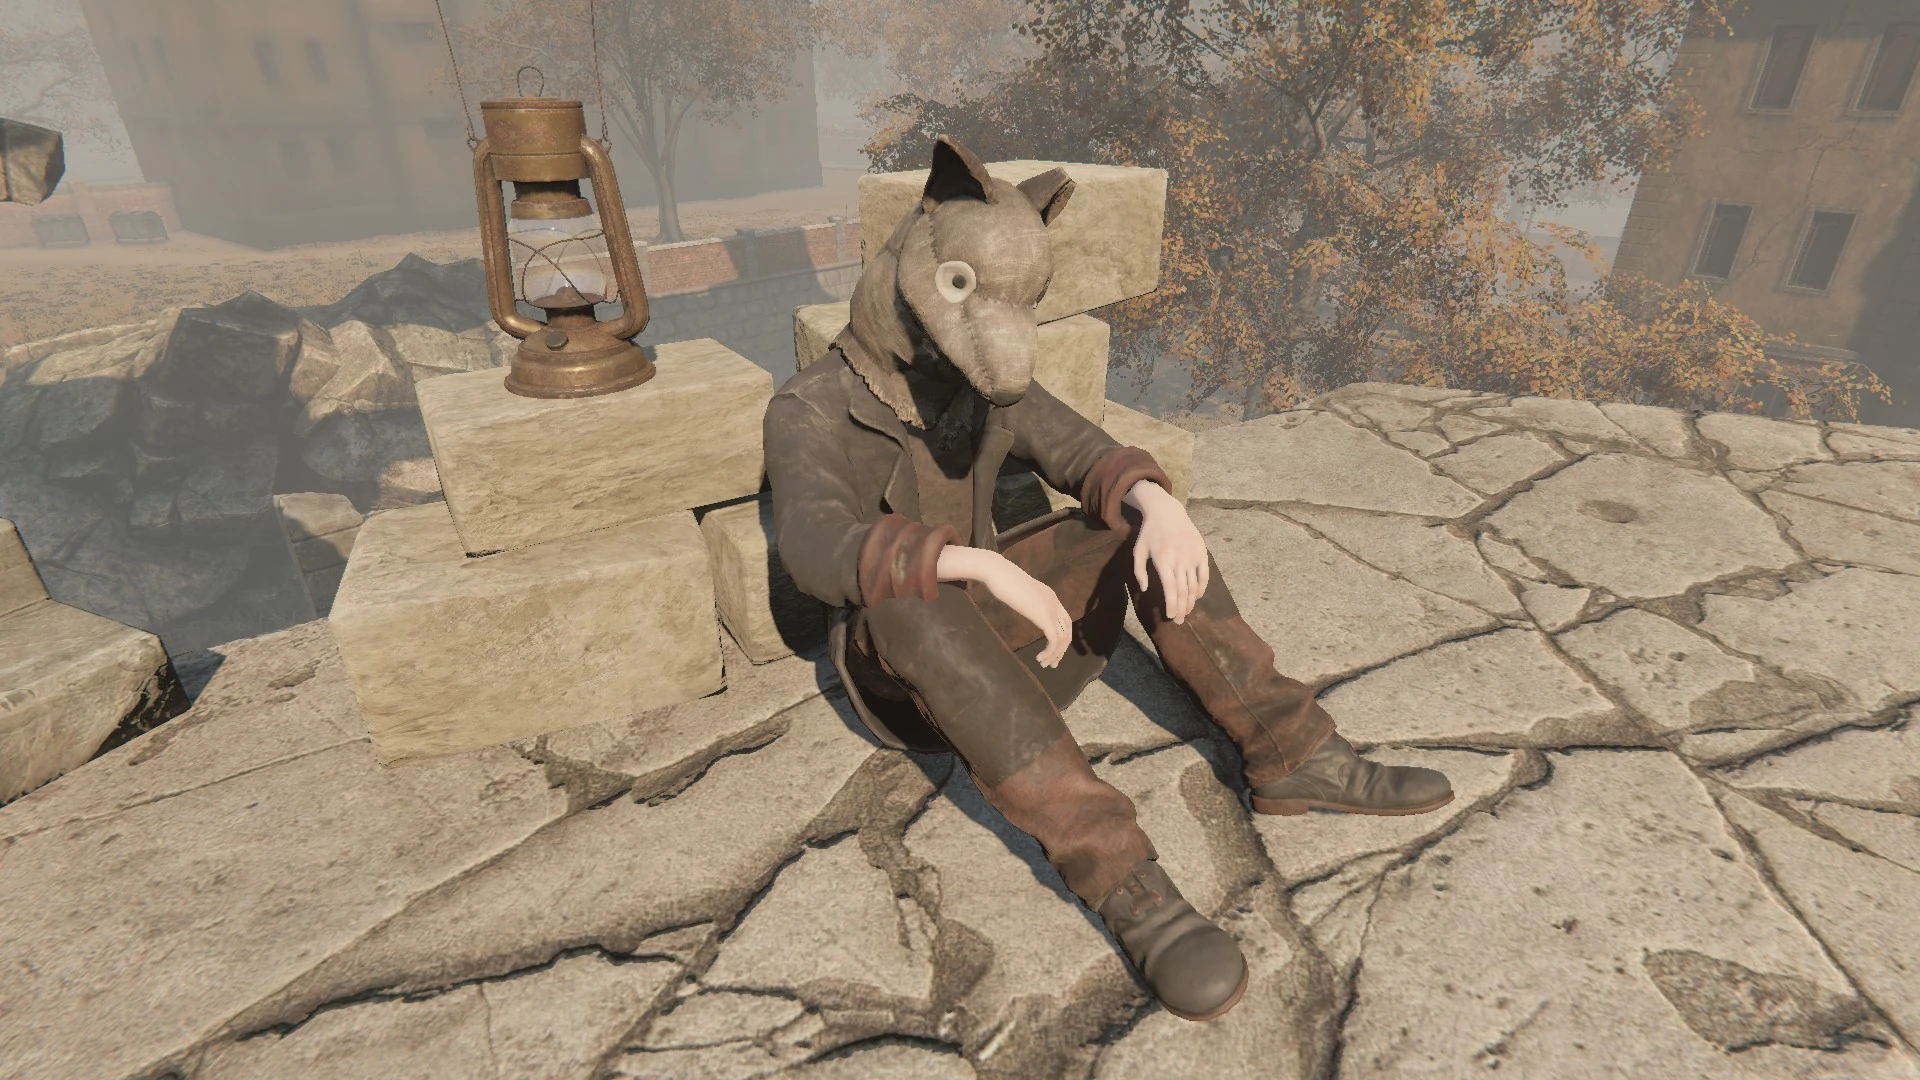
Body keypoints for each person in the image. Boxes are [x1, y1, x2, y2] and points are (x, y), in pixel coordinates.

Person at [763, 136, 1453, 1022]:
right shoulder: (810, 406)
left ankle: (1296, 754)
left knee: (1137, 523)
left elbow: (1084, 451)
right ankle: (1125, 880)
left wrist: (1156, 503)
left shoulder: (976, 380)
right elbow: (815, 546)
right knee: (912, 600)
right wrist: (971, 561)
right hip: (909, 675)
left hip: (1009, 642)